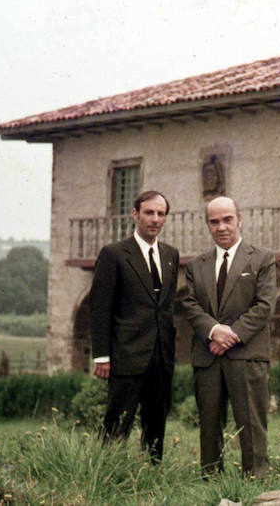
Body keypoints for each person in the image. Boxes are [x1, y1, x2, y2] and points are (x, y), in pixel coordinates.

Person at [181, 196, 276, 477]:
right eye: (214, 221)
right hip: (207, 356)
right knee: (209, 423)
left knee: (251, 423)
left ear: (239, 219)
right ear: (208, 225)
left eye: (227, 219)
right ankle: (210, 479)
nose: (221, 227)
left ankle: (255, 481)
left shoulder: (262, 258)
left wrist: (231, 335)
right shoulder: (196, 265)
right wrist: (213, 331)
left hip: (247, 355)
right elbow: (189, 304)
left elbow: (265, 305)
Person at [88, 190, 179, 462]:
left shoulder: (171, 255)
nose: (155, 219)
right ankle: (108, 473)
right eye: (149, 213)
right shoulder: (114, 254)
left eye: (161, 214)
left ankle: (152, 473)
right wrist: (102, 356)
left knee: (156, 424)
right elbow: (99, 308)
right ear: (135, 214)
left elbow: (165, 307)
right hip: (126, 356)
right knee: (117, 424)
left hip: (161, 356)